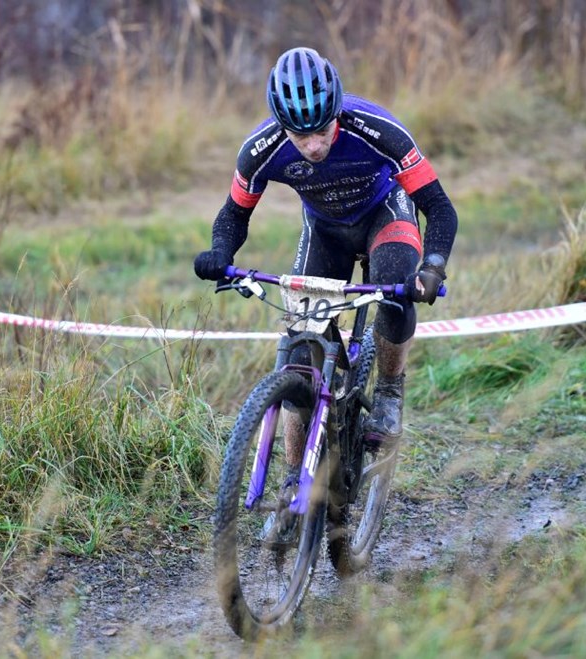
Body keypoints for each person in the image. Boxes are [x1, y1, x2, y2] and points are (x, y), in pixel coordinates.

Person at [194, 46, 457, 479]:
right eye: (301, 137)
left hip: (385, 216)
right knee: (301, 351)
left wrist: (432, 267)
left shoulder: (377, 129)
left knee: (394, 287)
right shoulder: (261, 149)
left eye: (322, 130)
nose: (314, 146)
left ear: (336, 110)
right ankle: (295, 484)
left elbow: (439, 208)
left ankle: (389, 392)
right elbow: (234, 214)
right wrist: (221, 254)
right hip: (325, 231)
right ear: (283, 127)